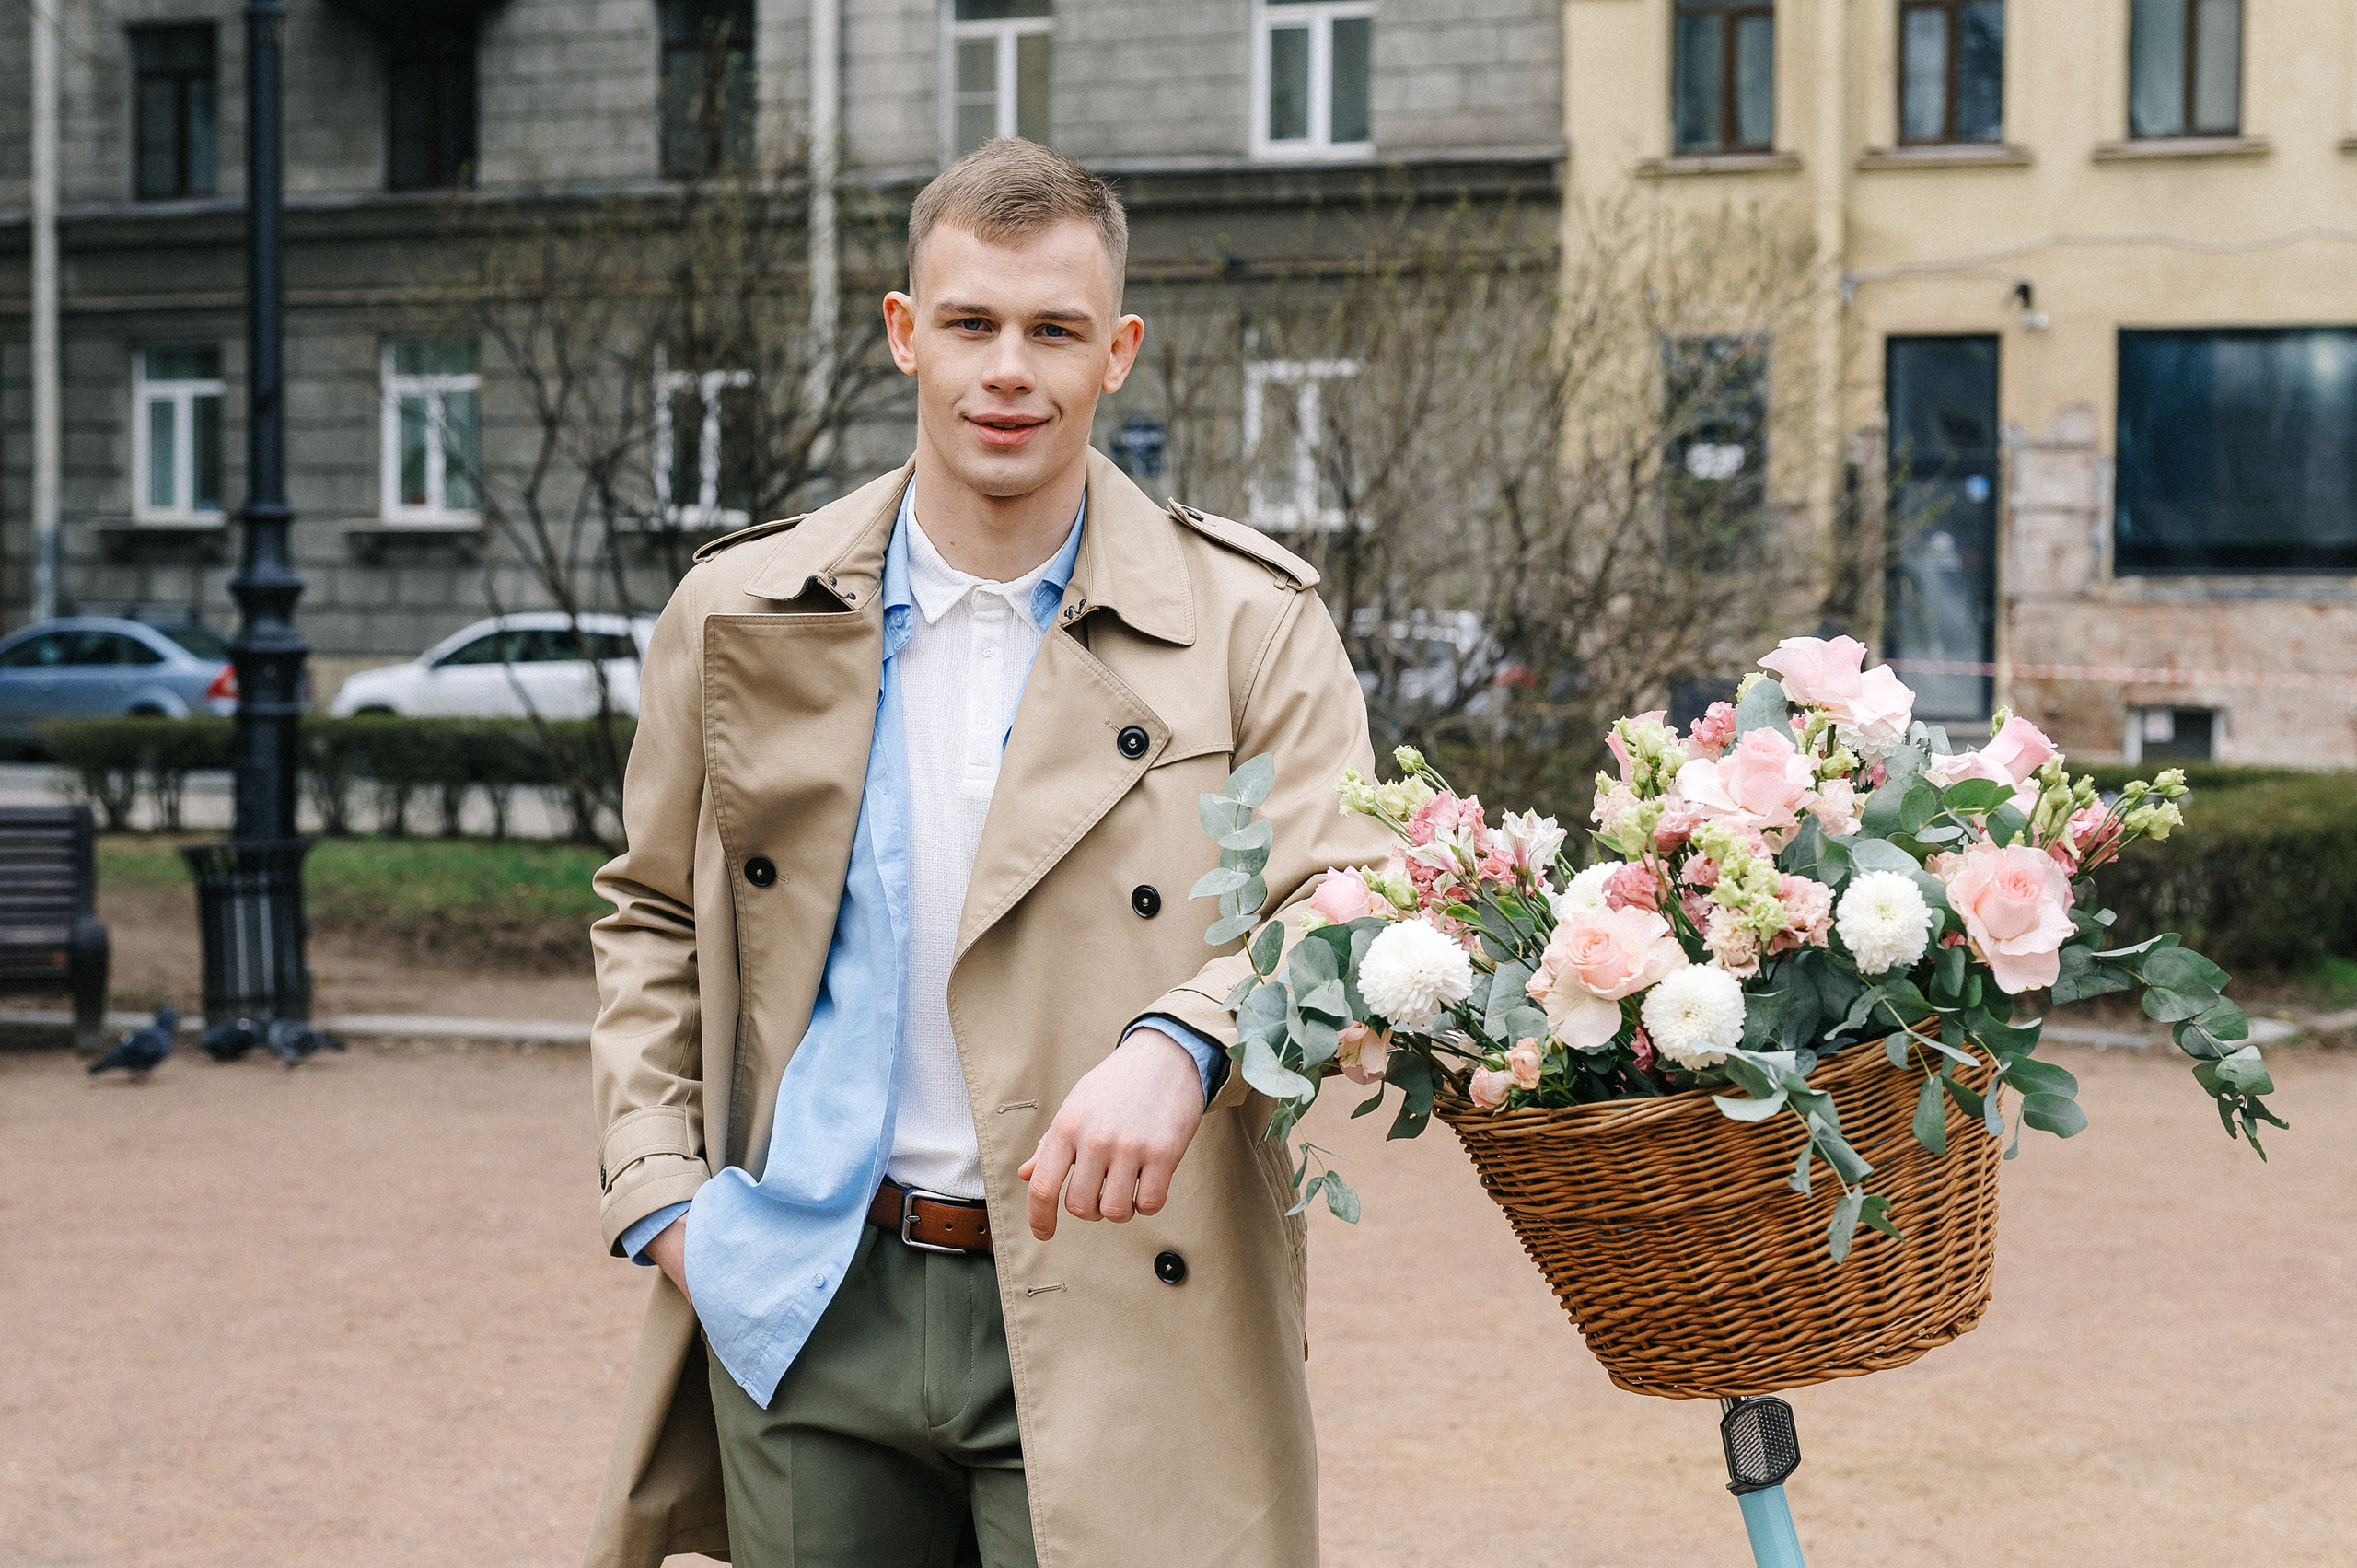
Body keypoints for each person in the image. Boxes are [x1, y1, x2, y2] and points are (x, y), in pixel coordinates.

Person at [584, 138, 1389, 1568]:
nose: (1007, 370)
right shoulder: (737, 607)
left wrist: (1185, 1039)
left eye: (1053, 330)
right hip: (807, 1291)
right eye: (970, 324)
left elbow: (1352, 904)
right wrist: (662, 1199)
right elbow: (650, 911)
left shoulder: (1253, 622)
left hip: (1126, 1296)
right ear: (906, 332)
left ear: (1118, 352)